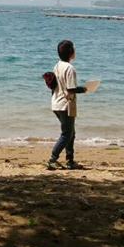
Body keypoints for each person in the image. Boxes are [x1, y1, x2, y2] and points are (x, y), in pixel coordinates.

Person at [47, 40, 87, 171]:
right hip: (65, 104)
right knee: (67, 134)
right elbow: (71, 89)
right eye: (74, 48)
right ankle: (52, 159)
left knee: (71, 133)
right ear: (71, 52)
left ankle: (70, 160)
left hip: (56, 103)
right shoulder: (70, 68)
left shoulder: (57, 65)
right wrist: (84, 89)